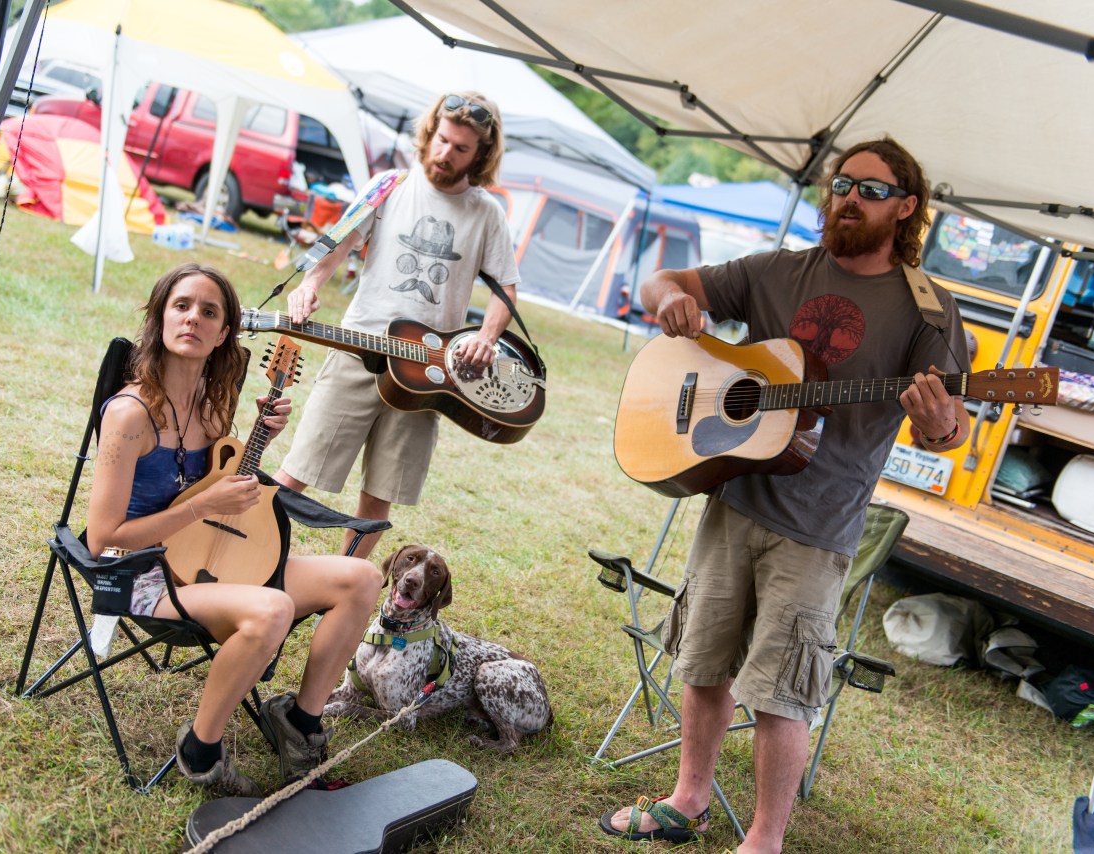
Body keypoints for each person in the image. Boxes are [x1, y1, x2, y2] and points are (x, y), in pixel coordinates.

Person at [599, 137, 970, 852]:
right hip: (735, 497)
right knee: (704, 662)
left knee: (781, 691)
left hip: (819, 525)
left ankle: (764, 841)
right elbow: (658, 282)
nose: (848, 198)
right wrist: (672, 299)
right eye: (841, 184)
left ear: (906, 208)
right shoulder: (777, 271)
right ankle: (688, 800)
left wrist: (940, 424)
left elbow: (946, 432)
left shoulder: (928, 311)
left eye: (869, 188)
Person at [86, 262, 381, 794]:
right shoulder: (129, 415)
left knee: (361, 577)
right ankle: (201, 751)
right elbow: (102, 537)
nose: (193, 319)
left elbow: (215, 489)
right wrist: (202, 509)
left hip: (213, 561)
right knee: (274, 607)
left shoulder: (213, 404)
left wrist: (259, 441)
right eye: (181, 306)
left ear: (225, 333)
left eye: (209, 311)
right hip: (142, 572)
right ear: (159, 317)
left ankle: (301, 723)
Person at [274, 91, 522, 558]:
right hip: (359, 351)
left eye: (461, 149)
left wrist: (488, 336)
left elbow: (506, 289)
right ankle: (248, 555)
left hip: (428, 372)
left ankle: (344, 582)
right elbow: (338, 244)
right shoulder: (389, 185)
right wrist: (309, 285)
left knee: (379, 494)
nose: (445, 155)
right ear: (429, 133)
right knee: (299, 468)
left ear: (482, 155)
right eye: (442, 141)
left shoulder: (486, 213)